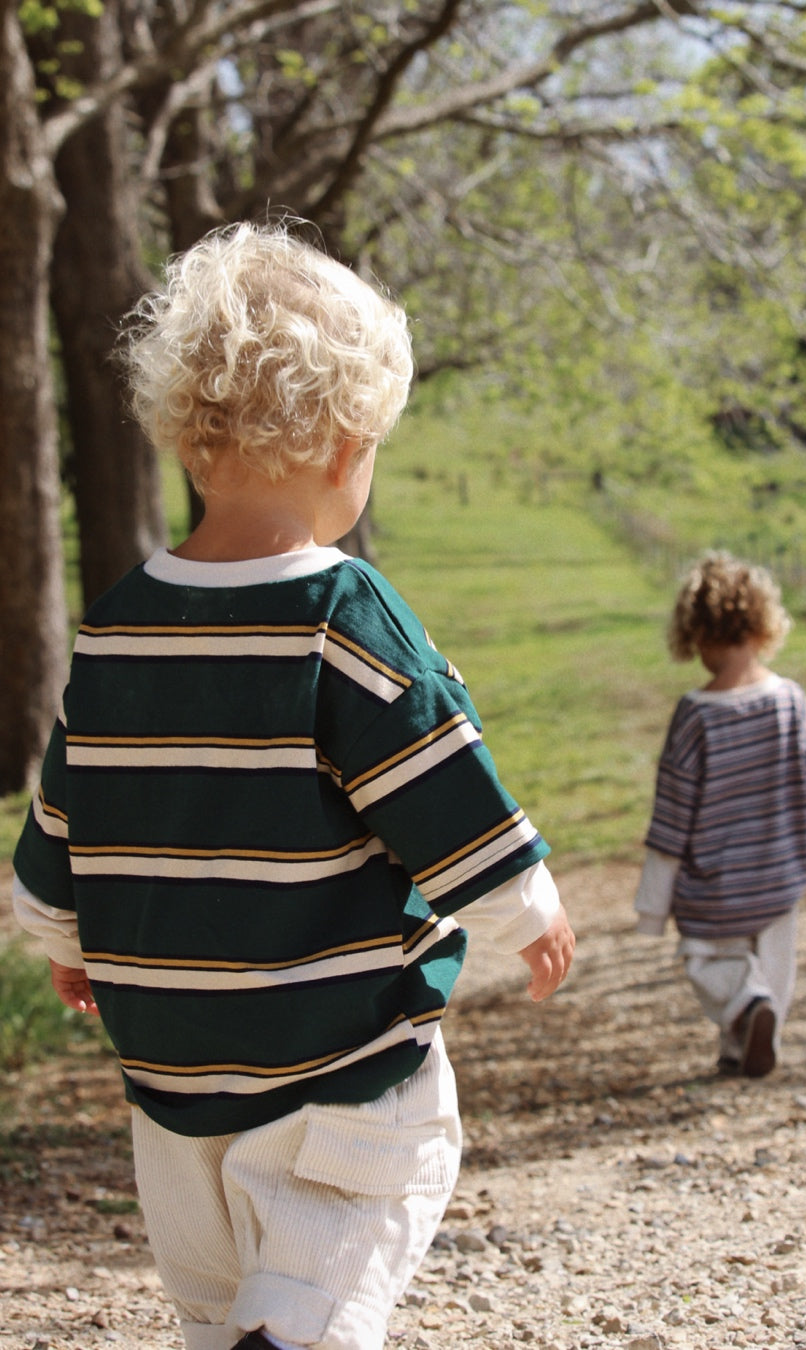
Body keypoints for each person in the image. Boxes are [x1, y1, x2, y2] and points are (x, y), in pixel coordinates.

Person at [11, 221, 575, 1350]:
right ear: (346, 446)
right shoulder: (343, 617)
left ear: (189, 440)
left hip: (171, 1073)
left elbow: (67, 811)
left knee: (215, 1300)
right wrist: (530, 909)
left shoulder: (118, 628)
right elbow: (439, 787)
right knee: (347, 1229)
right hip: (339, 1059)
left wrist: (62, 936)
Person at [634, 550, 806, 1079]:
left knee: (709, 962)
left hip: (718, 887)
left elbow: (673, 818)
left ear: (696, 636)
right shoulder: (791, 701)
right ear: (763, 626)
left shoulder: (695, 716)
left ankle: (746, 1017)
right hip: (779, 874)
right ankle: (747, 1040)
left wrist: (652, 909)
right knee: (773, 969)